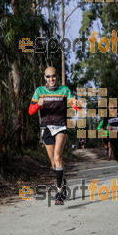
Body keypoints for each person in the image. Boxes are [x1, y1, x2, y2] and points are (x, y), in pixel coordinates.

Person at [28, 67, 81, 205]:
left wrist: (77, 105)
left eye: (53, 76)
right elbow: (31, 111)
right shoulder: (39, 91)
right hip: (46, 127)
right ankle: (62, 181)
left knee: (58, 156)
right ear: (45, 78)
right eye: (48, 76)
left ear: (57, 76)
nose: (51, 79)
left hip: (61, 126)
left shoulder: (65, 90)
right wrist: (37, 105)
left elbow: (75, 105)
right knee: (53, 161)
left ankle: (59, 193)